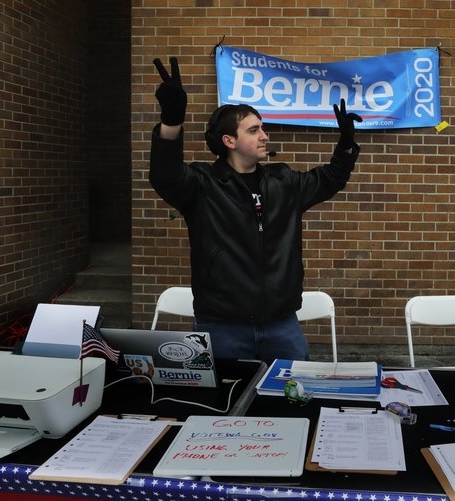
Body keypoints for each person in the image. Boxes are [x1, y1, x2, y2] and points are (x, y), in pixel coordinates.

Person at [149, 56, 361, 364]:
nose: (264, 135)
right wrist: (171, 121)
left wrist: (345, 144)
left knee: (290, 401)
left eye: (262, 128)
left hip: (282, 325)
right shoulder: (203, 185)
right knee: (227, 403)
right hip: (222, 327)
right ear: (229, 140)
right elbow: (164, 175)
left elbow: (330, 179)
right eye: (253, 130)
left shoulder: (283, 181)